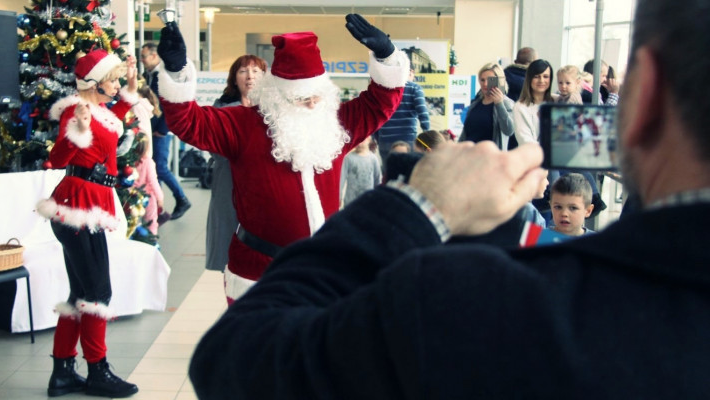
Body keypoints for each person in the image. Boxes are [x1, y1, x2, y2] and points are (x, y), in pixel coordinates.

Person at [188, 0, 710, 397]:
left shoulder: (480, 299)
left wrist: (416, 207)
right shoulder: (244, 124)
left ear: (642, 99)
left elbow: (239, 363)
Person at [154, 14, 409, 303]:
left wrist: (387, 56)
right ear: (276, 95)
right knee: (257, 347)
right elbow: (189, 122)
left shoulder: (335, 122)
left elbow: (381, 102)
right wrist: (176, 72)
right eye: (301, 98)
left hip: (323, 267)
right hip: (258, 273)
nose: (313, 104)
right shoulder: (243, 124)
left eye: (317, 95)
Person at [37, 49, 139, 398]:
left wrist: (130, 87)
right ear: (96, 83)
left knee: (82, 293)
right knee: (97, 293)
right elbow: (57, 158)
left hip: (89, 206)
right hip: (76, 207)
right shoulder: (75, 110)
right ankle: (98, 371)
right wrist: (76, 131)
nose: (116, 84)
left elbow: (113, 123)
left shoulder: (102, 111)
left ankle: (63, 372)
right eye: (112, 79)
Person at [207, 54, 267, 272]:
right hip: (229, 182)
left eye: (255, 71)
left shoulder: (274, 110)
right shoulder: (221, 110)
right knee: (227, 245)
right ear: (234, 79)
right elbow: (214, 148)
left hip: (264, 184)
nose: (250, 76)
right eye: (243, 71)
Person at [140, 42, 191, 220]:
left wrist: (162, 130)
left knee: (160, 167)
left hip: (160, 130)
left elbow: (169, 104)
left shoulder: (162, 76)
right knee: (154, 168)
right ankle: (158, 206)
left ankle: (181, 198)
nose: (142, 60)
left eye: (144, 56)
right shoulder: (148, 75)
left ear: (155, 56)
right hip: (151, 129)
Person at [373, 62, 431, 159]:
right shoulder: (415, 88)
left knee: (388, 172)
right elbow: (423, 113)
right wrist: (427, 137)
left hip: (385, 140)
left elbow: (375, 116)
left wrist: (376, 138)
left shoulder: (382, 89)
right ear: (410, 71)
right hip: (407, 141)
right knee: (408, 171)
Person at [459, 62, 515, 150]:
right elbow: (465, 134)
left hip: (491, 159)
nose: (485, 84)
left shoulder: (507, 103)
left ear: (499, 81)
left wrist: (499, 104)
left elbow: (509, 131)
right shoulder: (475, 104)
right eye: (482, 80)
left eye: (490, 80)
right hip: (470, 157)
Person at [513, 59, 555, 145]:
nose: (541, 81)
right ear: (529, 79)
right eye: (536, 76)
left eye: (546, 76)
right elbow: (525, 140)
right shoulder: (520, 107)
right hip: (532, 156)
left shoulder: (558, 101)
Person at [131, 132, 164, 235]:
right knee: (151, 223)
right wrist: (160, 198)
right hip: (147, 197)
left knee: (133, 222)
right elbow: (153, 181)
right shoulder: (148, 162)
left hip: (132, 196)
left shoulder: (130, 162)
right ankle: (151, 242)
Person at [340, 136, 382, 207]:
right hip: (351, 201)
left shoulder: (373, 159)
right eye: (356, 140)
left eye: (362, 140)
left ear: (369, 140)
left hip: (368, 200)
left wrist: (378, 196)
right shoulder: (348, 158)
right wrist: (339, 197)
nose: (359, 143)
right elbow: (341, 179)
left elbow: (377, 179)